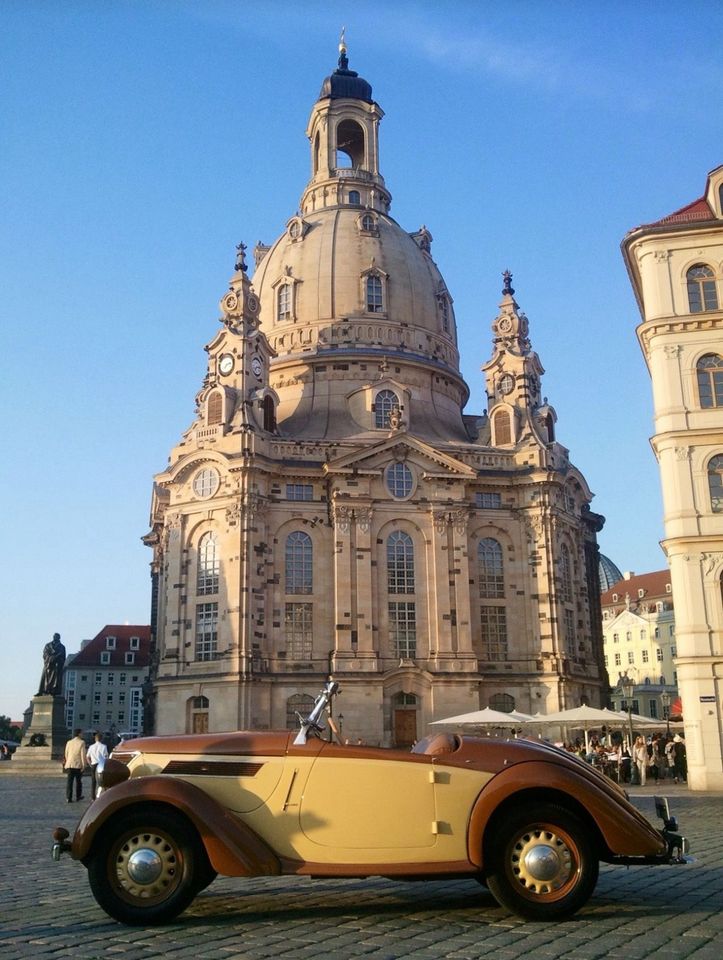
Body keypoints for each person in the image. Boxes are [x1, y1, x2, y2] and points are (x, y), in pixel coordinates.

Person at [63, 728, 87, 803]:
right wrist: (84, 765)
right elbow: (83, 755)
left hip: (70, 764)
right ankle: (78, 796)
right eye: (81, 733)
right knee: (78, 781)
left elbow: (66, 753)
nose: (82, 734)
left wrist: (68, 761)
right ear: (79, 734)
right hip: (77, 764)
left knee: (69, 782)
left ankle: (68, 797)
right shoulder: (82, 742)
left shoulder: (69, 742)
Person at [86, 731, 108, 799]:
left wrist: (90, 764)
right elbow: (106, 757)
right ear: (101, 739)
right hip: (101, 765)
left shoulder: (91, 747)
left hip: (93, 764)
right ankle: (102, 795)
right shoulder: (104, 746)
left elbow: (87, 757)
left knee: (93, 781)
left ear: (95, 739)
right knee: (102, 781)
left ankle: (93, 796)